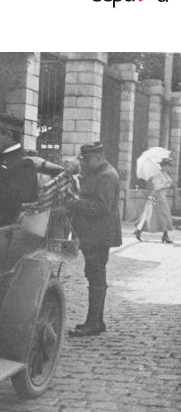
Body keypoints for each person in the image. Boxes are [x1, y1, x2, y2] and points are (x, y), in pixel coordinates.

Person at [66, 141, 122, 337]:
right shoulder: (98, 172)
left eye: (87, 159)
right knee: (94, 275)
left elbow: (101, 207)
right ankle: (96, 320)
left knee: (96, 276)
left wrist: (73, 203)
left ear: (99, 157)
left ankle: (93, 323)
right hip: (95, 234)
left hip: (100, 235)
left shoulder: (107, 175)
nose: (84, 163)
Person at [0, 113, 39, 225]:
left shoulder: (24, 163)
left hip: (7, 226)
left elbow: (15, 199)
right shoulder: (2, 158)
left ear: (8, 136)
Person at [133, 148, 174, 244]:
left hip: (162, 196)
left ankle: (163, 235)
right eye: (167, 166)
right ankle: (164, 235)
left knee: (158, 215)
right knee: (156, 215)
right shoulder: (157, 174)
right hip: (157, 196)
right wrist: (166, 184)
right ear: (163, 166)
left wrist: (167, 183)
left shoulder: (165, 174)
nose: (168, 168)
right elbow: (156, 186)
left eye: (169, 166)